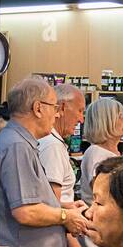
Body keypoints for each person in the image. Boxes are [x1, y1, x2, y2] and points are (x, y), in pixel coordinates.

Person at [0, 77, 96, 247]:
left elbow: (26, 200)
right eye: (54, 107)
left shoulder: (23, 143)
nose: (57, 114)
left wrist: (60, 205)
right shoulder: (18, 147)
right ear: (38, 108)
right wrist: (65, 216)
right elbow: (25, 211)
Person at [38, 82, 85, 210]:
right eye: (80, 111)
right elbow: (51, 205)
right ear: (62, 107)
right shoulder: (53, 146)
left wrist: (70, 206)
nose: (81, 120)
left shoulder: (53, 142)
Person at [78, 96, 123, 205]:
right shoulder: (96, 153)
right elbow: (104, 195)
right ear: (105, 122)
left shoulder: (112, 152)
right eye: (119, 116)